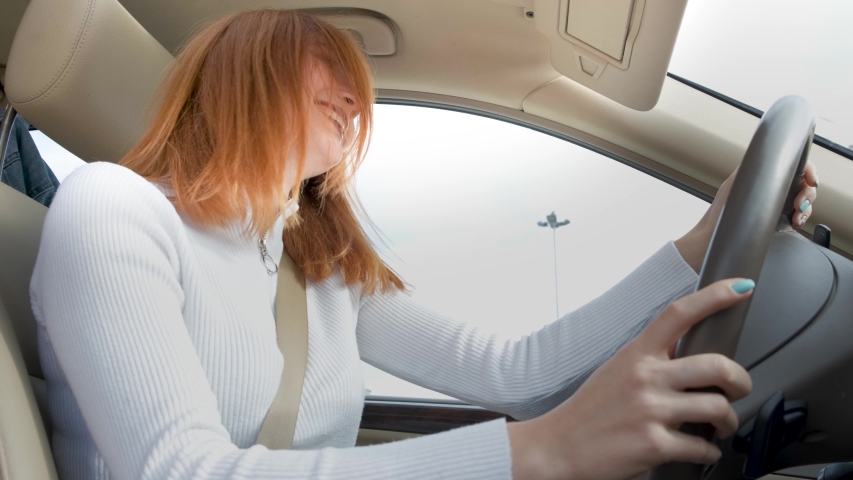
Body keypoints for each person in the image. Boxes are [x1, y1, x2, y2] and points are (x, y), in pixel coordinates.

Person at [30, 9, 819, 480]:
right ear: (245, 71)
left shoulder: (319, 267)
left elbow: (516, 372)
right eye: (326, 73)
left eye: (357, 93)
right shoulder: (111, 209)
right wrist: (536, 454)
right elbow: (181, 473)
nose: (350, 98)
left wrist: (699, 240)